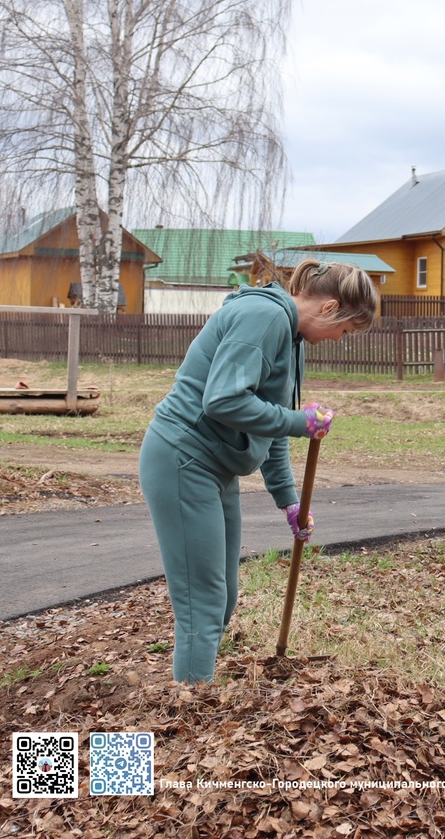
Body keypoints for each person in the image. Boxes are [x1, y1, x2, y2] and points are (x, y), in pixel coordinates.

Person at [139, 259, 379, 683]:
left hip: (216, 467)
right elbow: (224, 401)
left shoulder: (290, 336)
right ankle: (188, 710)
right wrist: (299, 422)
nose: (339, 340)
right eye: (345, 330)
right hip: (183, 458)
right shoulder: (264, 316)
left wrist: (290, 501)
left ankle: (194, 690)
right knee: (204, 602)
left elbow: (268, 423)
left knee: (223, 597)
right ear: (329, 308)